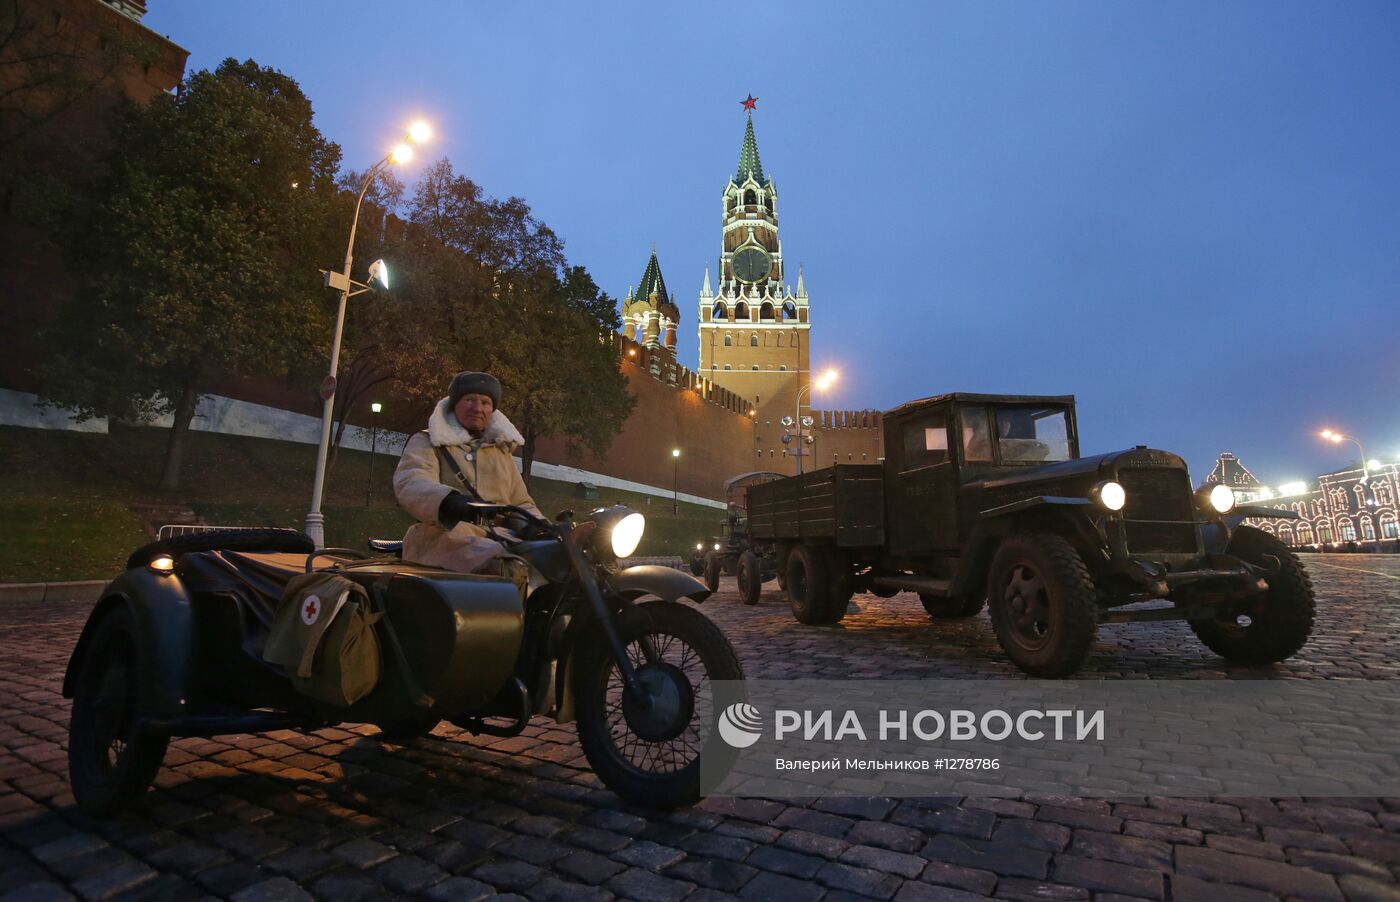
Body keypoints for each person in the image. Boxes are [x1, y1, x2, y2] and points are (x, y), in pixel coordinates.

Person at [393, 371, 541, 586]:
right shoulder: (428, 441)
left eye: (485, 402)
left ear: (492, 409)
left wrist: (536, 526)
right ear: (455, 404)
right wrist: (448, 501)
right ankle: (513, 620)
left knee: (552, 558)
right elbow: (411, 481)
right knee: (506, 565)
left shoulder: (501, 452)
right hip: (444, 537)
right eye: (469, 400)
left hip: (498, 536)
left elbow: (521, 501)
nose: (477, 408)